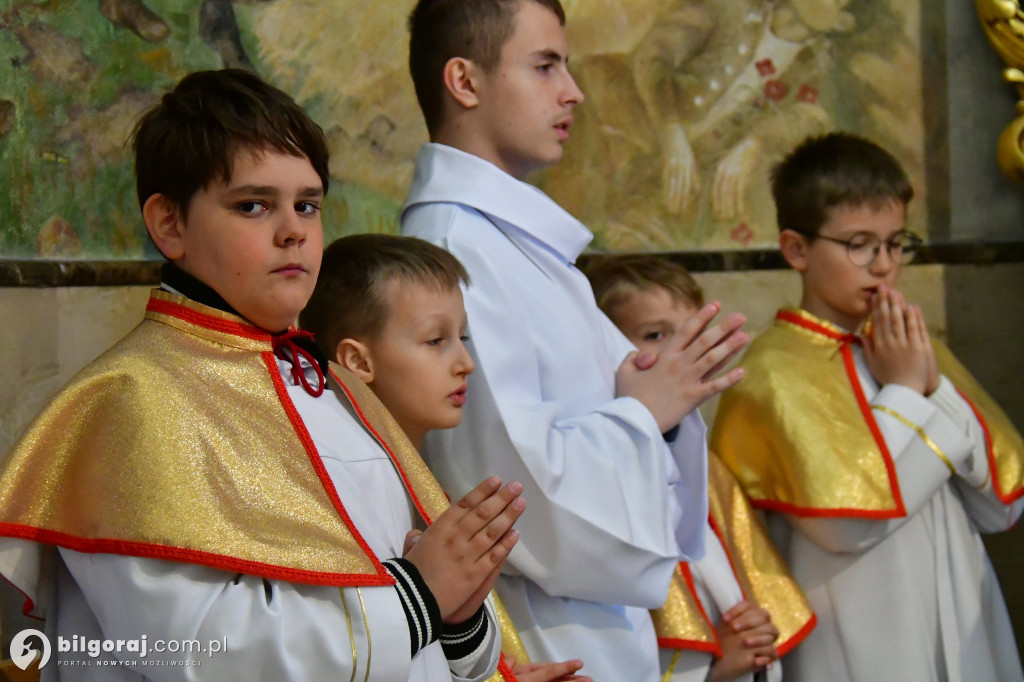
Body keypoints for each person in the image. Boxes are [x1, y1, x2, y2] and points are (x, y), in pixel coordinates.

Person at [0, 69, 526, 681]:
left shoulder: (335, 388)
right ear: (170, 224)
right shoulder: (129, 401)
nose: (293, 231)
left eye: (307, 205)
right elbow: (198, 651)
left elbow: (420, 619)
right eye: (253, 205)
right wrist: (420, 597)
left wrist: (458, 621)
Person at [401, 2, 750, 680]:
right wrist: (645, 412)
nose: (574, 92)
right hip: (540, 634)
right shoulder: (455, 248)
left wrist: (659, 410)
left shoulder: (513, 243)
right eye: (545, 67)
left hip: (593, 622)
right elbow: (511, 492)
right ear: (465, 82)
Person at [711, 132, 1024, 681]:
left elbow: (1002, 509)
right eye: (860, 244)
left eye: (896, 243)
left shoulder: (912, 348)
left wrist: (932, 387)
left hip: (958, 613)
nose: (883, 266)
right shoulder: (772, 375)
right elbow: (848, 528)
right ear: (796, 249)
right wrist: (905, 393)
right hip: (860, 633)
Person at [301, 232, 594, 682]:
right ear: (358, 362)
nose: (466, 362)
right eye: (436, 340)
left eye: (463, 336)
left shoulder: (415, 471)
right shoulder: (334, 480)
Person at [584, 254, 816, 682]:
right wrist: (712, 669)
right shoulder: (598, 469)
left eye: (693, 333)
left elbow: (737, 579)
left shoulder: (703, 462)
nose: (683, 352)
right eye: (656, 335)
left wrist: (753, 632)